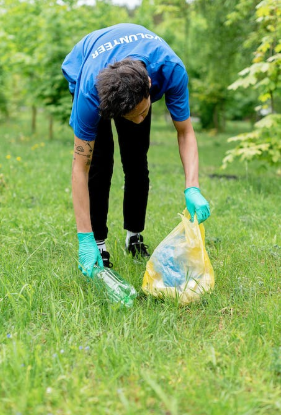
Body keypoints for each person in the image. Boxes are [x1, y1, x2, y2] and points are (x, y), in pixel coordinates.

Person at [62, 23, 210, 277]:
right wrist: (83, 238)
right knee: (99, 163)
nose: (140, 119)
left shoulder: (170, 69)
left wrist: (192, 186)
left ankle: (134, 235)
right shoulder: (89, 94)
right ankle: (98, 243)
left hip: (136, 73)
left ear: (150, 85)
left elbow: (185, 131)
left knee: (136, 159)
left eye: (143, 111)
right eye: (132, 116)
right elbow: (80, 166)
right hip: (85, 63)